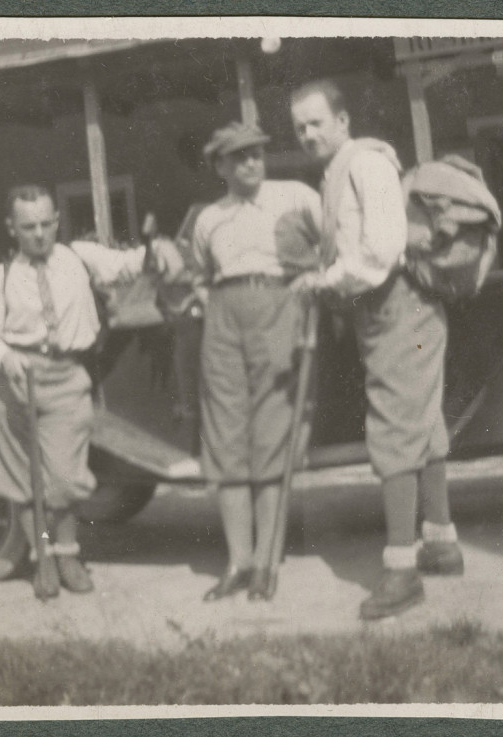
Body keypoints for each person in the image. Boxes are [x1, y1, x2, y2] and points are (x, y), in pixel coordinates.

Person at [289, 80, 464, 621]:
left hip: (399, 307)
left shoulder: (365, 164)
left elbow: (382, 251)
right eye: (299, 127)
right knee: (423, 427)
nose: (308, 134)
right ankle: (440, 543)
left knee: (393, 432)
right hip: (387, 311)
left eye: (317, 122)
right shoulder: (338, 170)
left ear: (342, 121)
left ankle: (401, 572)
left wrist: (326, 281)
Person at [0, 184, 169, 595]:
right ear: (13, 228)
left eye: (47, 223)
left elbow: (129, 263)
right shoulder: (0, 277)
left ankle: (68, 554)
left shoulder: (81, 256)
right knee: (23, 483)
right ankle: (42, 559)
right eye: (29, 227)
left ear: (57, 221)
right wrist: (7, 357)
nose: (40, 233)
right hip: (9, 384)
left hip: (66, 379)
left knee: (64, 480)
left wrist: (159, 252)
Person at [191, 121, 322, 602]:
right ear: (220, 166)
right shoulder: (209, 219)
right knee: (226, 438)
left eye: (257, 153)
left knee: (270, 436)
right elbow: (200, 274)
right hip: (224, 316)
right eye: (240, 156)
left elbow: (328, 249)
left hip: (278, 308)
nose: (252, 162)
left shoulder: (295, 197)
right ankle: (238, 563)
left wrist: (307, 290)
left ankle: (267, 561)